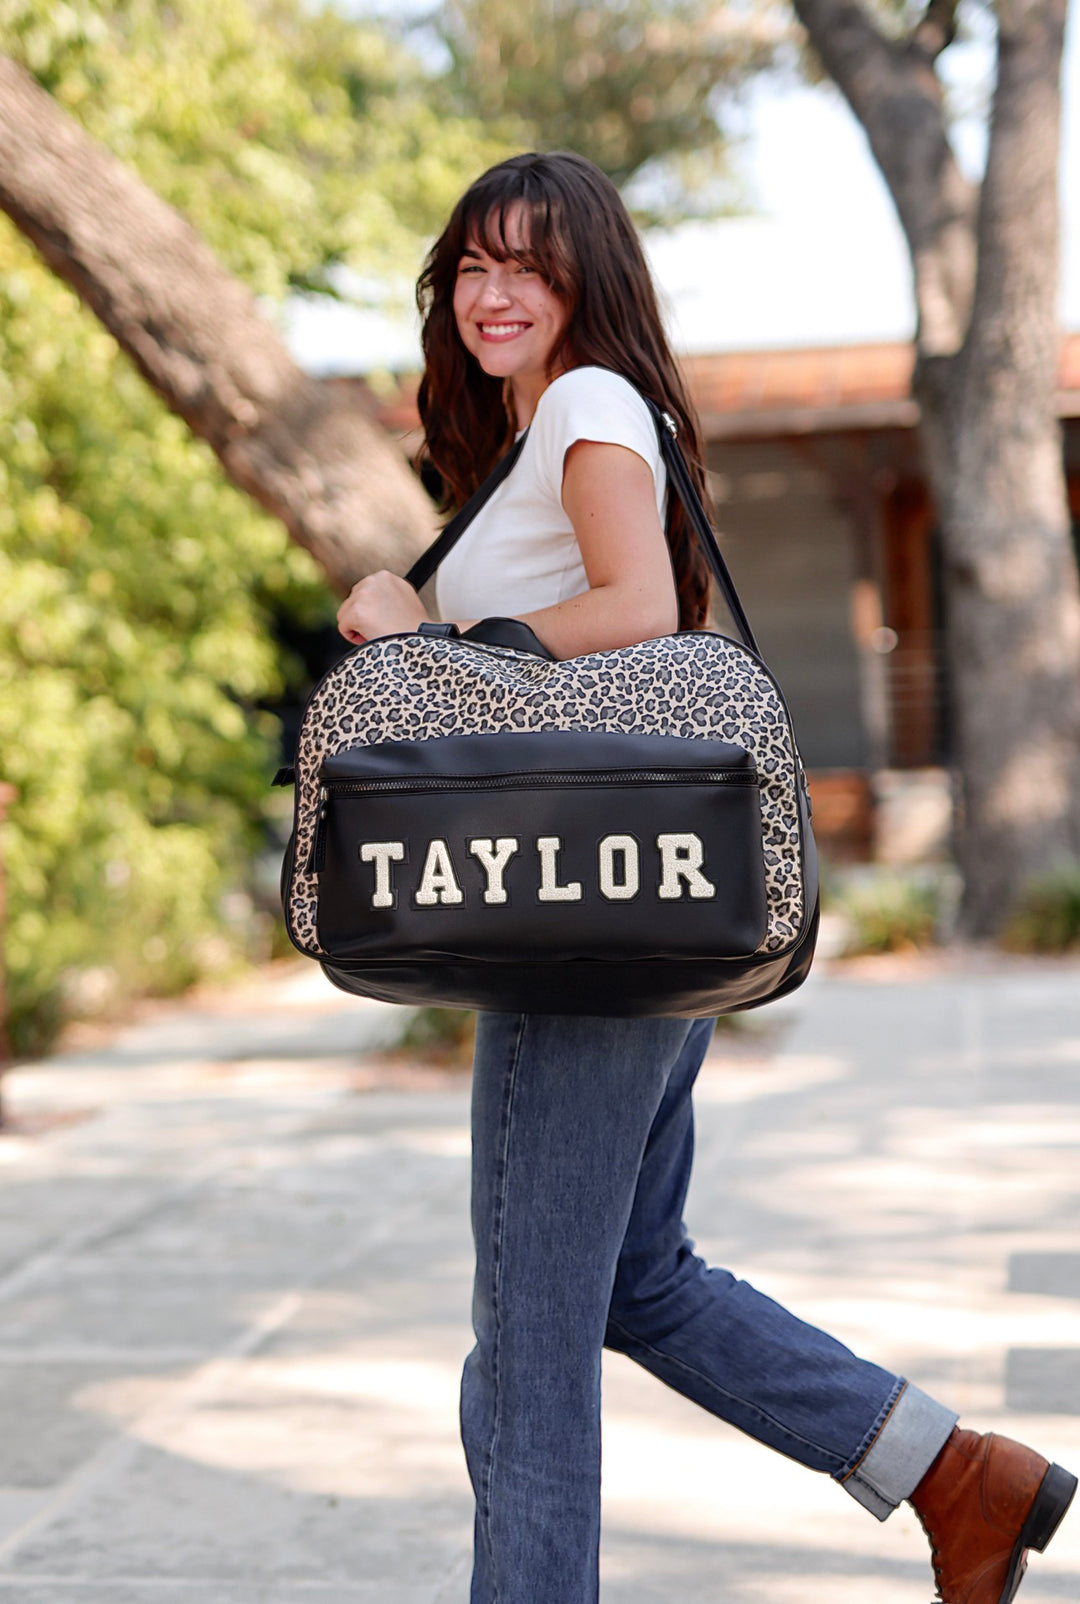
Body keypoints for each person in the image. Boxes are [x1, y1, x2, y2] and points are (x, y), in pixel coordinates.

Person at [336, 151, 1075, 1604]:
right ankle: (950, 1472)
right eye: (474, 266)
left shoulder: (593, 404)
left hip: (584, 918)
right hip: (615, 903)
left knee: (533, 1330)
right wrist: (421, 607)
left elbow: (640, 610)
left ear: (586, 281)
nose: (494, 293)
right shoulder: (544, 429)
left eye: (528, 267)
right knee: (633, 1280)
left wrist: (421, 641)